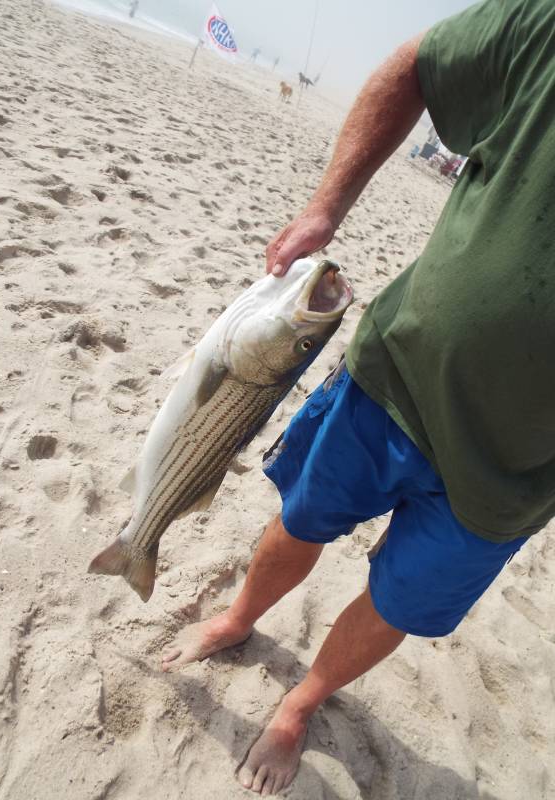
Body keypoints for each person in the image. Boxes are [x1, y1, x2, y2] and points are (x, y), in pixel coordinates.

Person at [162, 0, 555, 794]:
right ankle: (238, 619)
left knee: (399, 602)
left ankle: (299, 705)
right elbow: (417, 66)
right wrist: (325, 206)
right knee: (302, 517)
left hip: (520, 473)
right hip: (398, 372)